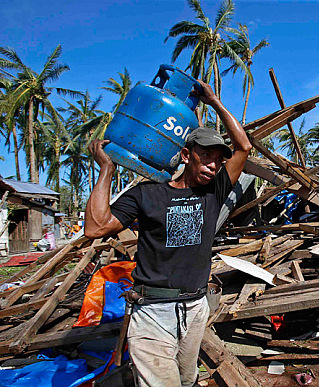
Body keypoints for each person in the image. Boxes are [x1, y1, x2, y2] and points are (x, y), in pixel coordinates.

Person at [84, 80, 251, 386]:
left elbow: (244, 147)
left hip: (195, 309)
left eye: (218, 158)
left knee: (187, 381)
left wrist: (213, 100)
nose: (214, 165)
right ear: (186, 155)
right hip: (151, 312)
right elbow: (96, 227)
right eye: (206, 155)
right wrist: (106, 170)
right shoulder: (146, 195)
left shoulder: (213, 193)